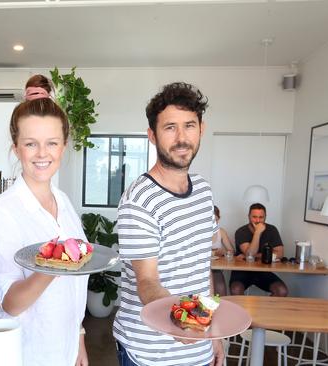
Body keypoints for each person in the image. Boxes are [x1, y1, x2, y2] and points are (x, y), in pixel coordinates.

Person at [0, 74, 89, 366]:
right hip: (26, 355)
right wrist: (57, 265)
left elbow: (73, 289)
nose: (42, 154)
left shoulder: (63, 203)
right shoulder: (3, 213)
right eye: (31, 144)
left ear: (63, 146)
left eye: (52, 143)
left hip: (64, 351)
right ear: (16, 147)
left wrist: (78, 339)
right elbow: (10, 303)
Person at [113, 82, 224, 366]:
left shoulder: (203, 190)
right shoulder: (139, 200)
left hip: (198, 347)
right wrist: (179, 322)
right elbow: (147, 281)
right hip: (149, 353)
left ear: (202, 129)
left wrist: (213, 333)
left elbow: (202, 267)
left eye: (189, 125)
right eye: (170, 127)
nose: (181, 137)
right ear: (152, 135)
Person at [229, 203, 288, 297]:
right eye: (254, 217)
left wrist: (252, 256)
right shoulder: (241, 231)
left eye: (261, 217)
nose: (258, 220)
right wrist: (257, 232)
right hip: (242, 271)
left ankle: (266, 311)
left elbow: (280, 253)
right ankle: (242, 312)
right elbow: (250, 254)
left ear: (265, 217)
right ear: (248, 216)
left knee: (281, 290)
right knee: (236, 289)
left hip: (263, 271)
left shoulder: (272, 230)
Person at [211, 205, 235, 296]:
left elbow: (231, 251)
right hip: (200, 268)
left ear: (219, 219)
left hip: (216, 269)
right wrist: (213, 252)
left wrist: (224, 252)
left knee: (220, 288)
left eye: (215, 220)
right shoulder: (198, 232)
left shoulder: (221, 232)